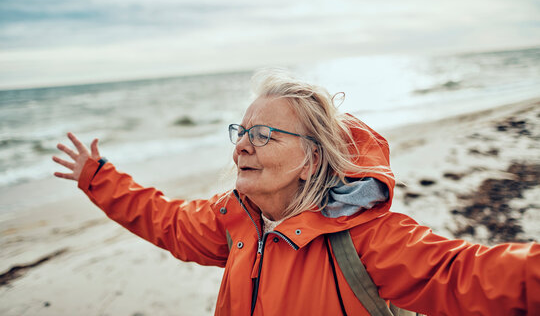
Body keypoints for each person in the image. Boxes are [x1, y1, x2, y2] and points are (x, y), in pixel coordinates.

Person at [53, 71, 540, 315]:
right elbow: (164, 219)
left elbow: (468, 274)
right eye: (240, 131)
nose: (242, 145)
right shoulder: (234, 221)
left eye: (263, 134)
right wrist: (98, 177)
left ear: (310, 160)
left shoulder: (368, 239)